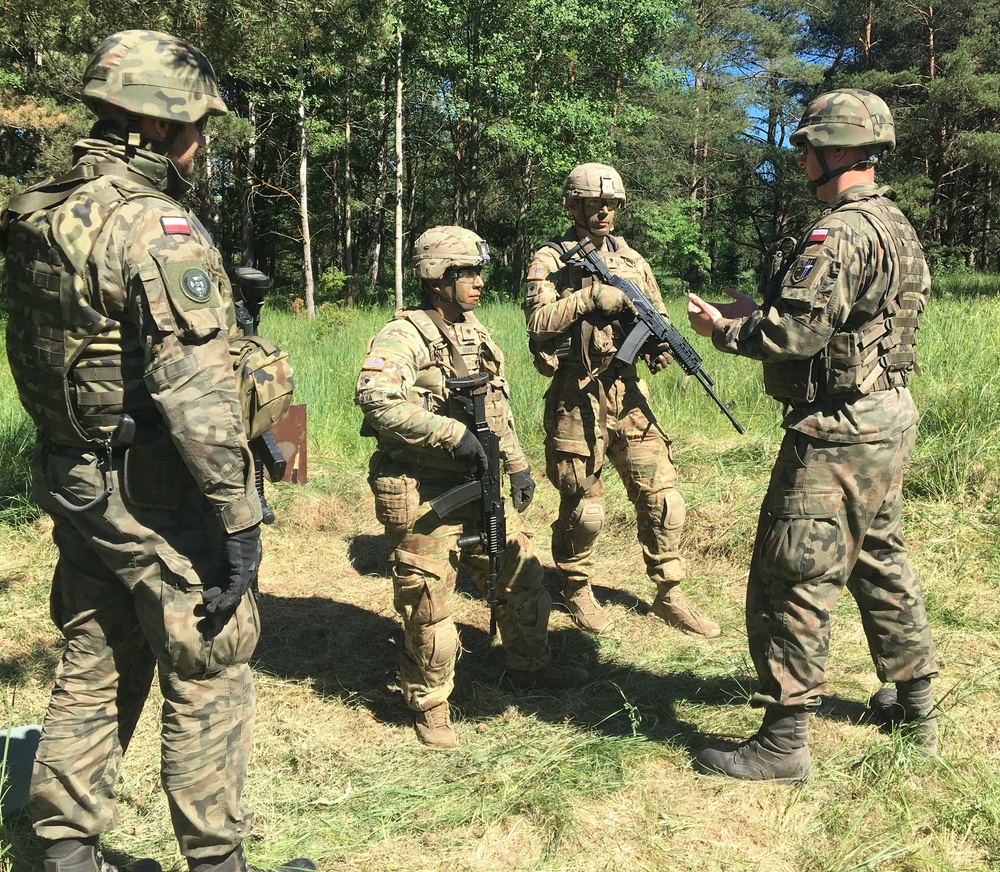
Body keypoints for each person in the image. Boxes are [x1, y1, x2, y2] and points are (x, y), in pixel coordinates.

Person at [1, 30, 314, 872]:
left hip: (80, 483)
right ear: (155, 125)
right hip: (162, 497)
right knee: (211, 664)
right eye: (195, 126)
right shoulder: (155, 226)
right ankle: (218, 862)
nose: (202, 142)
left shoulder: (41, 208)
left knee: (94, 654)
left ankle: (62, 853)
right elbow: (200, 399)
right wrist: (240, 523)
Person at [687, 89, 939, 782]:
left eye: (806, 148)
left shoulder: (840, 233)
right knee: (877, 558)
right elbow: (852, 320)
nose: (799, 160)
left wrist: (726, 329)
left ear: (837, 151)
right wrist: (762, 312)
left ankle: (782, 739)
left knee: (791, 574)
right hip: (884, 416)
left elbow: (796, 333)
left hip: (838, 431)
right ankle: (916, 703)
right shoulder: (894, 224)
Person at [355, 225, 589, 749]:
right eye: (467, 272)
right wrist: (449, 433)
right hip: (426, 493)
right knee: (429, 603)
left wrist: (519, 465)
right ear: (437, 277)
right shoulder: (405, 335)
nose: (479, 281)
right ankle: (430, 703)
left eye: (479, 271)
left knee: (523, 577)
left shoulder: (475, 332)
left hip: (479, 487)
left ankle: (529, 667)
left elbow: (494, 411)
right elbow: (375, 397)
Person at [521, 163, 720, 638]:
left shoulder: (634, 261)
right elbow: (537, 323)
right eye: (595, 203)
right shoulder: (550, 259)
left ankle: (669, 592)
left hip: (628, 392)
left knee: (664, 497)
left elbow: (657, 312)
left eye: (611, 204)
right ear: (574, 206)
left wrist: (659, 344)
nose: (605, 211)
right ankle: (574, 586)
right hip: (576, 395)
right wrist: (591, 299)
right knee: (584, 506)